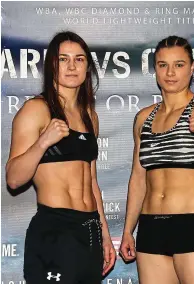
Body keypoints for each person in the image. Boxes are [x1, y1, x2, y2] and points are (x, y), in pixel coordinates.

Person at [120, 36, 194, 284]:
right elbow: (138, 179)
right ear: (155, 69)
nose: (170, 72)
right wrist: (128, 230)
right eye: (163, 65)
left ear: (192, 67)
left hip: (192, 226)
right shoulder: (144, 117)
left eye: (179, 64)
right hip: (151, 229)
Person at [6, 31, 116, 284]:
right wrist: (43, 141)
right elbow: (13, 179)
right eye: (63, 59)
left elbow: (92, 182)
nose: (71, 66)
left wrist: (105, 236)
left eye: (79, 59)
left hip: (89, 230)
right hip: (55, 230)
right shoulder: (36, 109)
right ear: (51, 65)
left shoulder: (89, 115)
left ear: (87, 67)